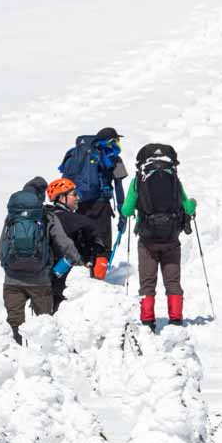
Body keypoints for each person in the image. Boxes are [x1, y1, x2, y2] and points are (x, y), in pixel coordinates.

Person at [119, 144, 197, 330]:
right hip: (171, 239)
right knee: (173, 282)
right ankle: (176, 321)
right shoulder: (174, 179)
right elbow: (187, 207)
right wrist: (193, 203)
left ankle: (147, 322)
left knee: (147, 283)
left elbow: (127, 210)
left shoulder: (138, 181)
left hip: (147, 240)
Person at [0, 177, 84, 343]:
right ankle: (42, 362)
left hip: (12, 281)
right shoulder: (46, 216)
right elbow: (66, 246)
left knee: (15, 324)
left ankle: (16, 358)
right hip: (40, 281)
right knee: (43, 325)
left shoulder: (12, 217)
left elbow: (1, 250)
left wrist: (10, 269)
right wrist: (74, 264)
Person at [58, 127, 128, 255]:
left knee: (83, 240)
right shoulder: (114, 158)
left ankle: (84, 267)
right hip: (101, 206)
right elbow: (119, 185)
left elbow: (65, 178)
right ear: (110, 141)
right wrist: (122, 211)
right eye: (117, 140)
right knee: (101, 242)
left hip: (78, 202)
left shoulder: (74, 155)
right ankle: (99, 269)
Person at [46, 177, 109, 312]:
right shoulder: (67, 217)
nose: (78, 198)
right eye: (74, 194)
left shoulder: (49, 215)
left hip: (50, 276)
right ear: (62, 198)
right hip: (65, 279)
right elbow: (92, 225)